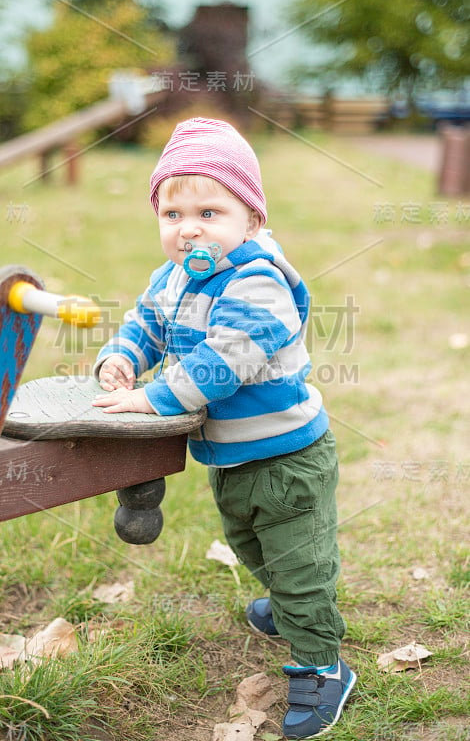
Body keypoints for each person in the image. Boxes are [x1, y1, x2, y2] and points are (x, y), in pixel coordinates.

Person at [92, 117, 356, 739]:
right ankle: (285, 602)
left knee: (300, 565)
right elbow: (147, 321)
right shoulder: (178, 275)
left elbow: (226, 359)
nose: (188, 229)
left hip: (288, 459)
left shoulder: (257, 281)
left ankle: (321, 665)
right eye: (172, 214)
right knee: (250, 543)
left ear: (252, 221)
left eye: (210, 212)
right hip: (236, 460)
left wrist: (156, 399)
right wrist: (124, 357)